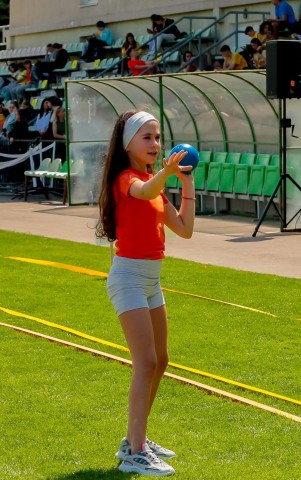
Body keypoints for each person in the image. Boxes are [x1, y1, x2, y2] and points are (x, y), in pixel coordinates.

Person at [96, 110, 195, 476]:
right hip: (128, 278)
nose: (155, 144)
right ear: (129, 144)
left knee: (162, 359)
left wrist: (185, 182)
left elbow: (184, 229)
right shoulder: (127, 179)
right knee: (146, 362)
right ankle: (135, 452)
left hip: (152, 280)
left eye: (157, 137)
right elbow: (144, 190)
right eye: (147, 137)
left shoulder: (156, 182)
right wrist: (167, 173)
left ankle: (136, 440)